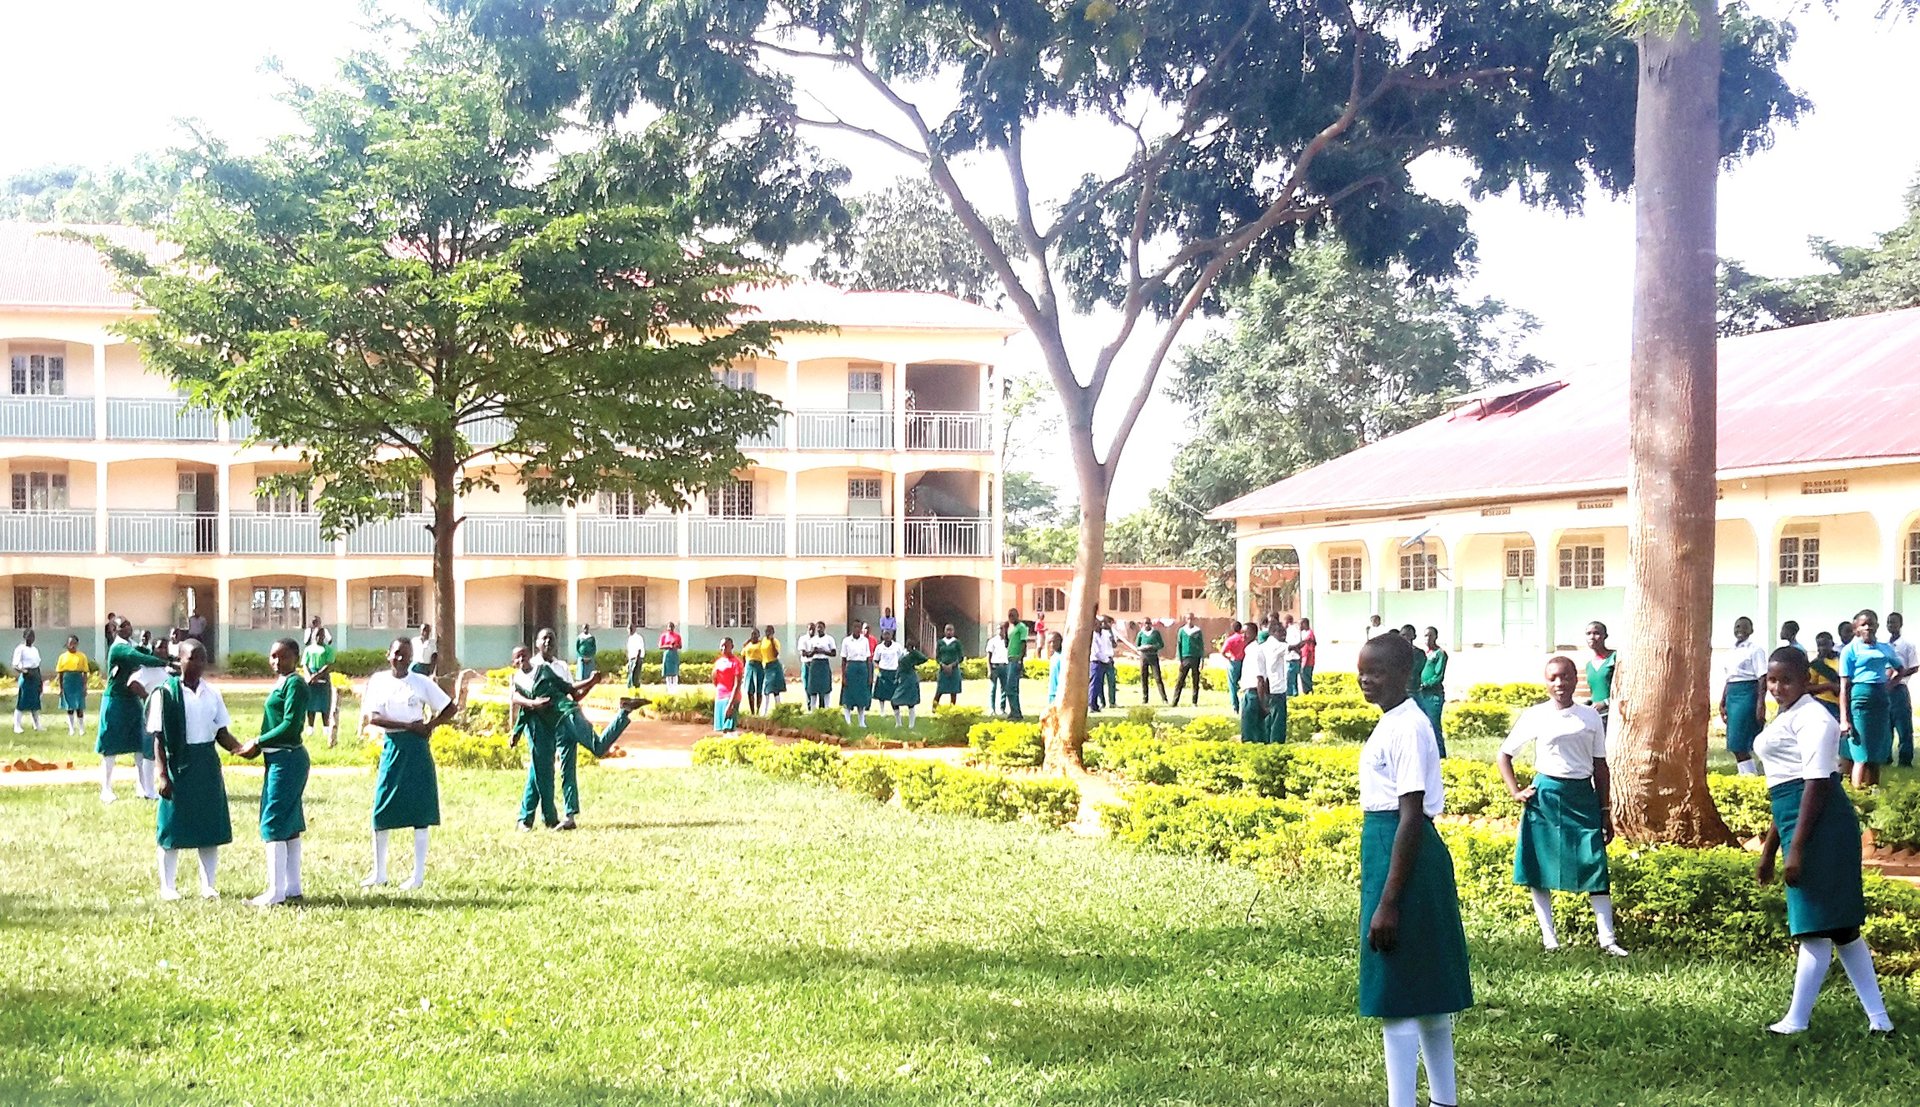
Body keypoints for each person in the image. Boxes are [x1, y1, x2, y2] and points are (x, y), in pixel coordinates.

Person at [1355, 632, 1470, 1107]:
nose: (1365, 680)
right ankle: (1444, 1099)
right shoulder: (1396, 721)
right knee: (1426, 995)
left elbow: (1410, 814)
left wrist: (1388, 902)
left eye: (1376, 672)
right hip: (1398, 853)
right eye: (1360, 671)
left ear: (1405, 674)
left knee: (1398, 994)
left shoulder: (1406, 727)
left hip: (1402, 855)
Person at [1753, 646, 1893, 1036]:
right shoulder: (1789, 714)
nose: (1778, 687)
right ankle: (1880, 1020)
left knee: (1816, 926)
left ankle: (1797, 1020)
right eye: (1773, 680)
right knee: (1843, 929)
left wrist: (1795, 851)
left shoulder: (1816, 718)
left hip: (1822, 827)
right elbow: (1783, 792)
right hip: (1798, 819)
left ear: (1806, 680)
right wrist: (1769, 852)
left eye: (1788, 680)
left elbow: (1815, 786)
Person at [1497, 656, 1626, 956]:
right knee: (1539, 866)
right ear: (1546, 682)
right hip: (1545, 796)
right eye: (1553, 678)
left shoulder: (1590, 716)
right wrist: (1516, 791)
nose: (1560, 684)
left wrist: (1604, 810)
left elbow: (1600, 766)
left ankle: (1607, 939)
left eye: (1566, 677)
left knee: (1594, 862)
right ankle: (1549, 938)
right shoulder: (1535, 715)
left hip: (1581, 796)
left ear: (1575, 679)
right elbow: (1505, 754)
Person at [149, 639, 247, 901]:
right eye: (192, 657)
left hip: (206, 763)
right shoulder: (165, 693)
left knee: (208, 826)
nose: (198, 663)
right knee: (171, 826)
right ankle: (168, 886)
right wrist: (162, 774)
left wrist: (241, 749)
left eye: (202, 658)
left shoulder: (212, 693)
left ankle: (208, 885)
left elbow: (221, 732)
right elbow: (158, 737)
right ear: (179, 659)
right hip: (178, 761)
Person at [361, 638, 456, 890]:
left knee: (420, 811)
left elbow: (450, 708)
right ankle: (379, 872)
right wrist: (407, 726)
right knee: (381, 809)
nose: (400, 659)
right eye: (396, 654)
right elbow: (374, 717)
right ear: (387, 654)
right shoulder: (379, 681)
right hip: (393, 746)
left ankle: (418, 875)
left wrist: (429, 726)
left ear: (412, 657)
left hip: (417, 750)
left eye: (406, 655)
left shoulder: (421, 682)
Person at [234, 639, 309, 907]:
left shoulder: (295, 684)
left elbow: (291, 725)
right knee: (288, 823)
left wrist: (258, 741)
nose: (277, 661)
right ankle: (293, 887)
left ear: (296, 658)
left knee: (275, 821)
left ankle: (276, 892)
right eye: (273, 656)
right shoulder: (281, 682)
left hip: (287, 758)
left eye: (283, 657)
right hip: (277, 758)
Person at [95, 618, 173, 805]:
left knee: (139, 744)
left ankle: (142, 786)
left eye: (129, 624)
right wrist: (165, 661)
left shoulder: (131, 645)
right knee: (110, 746)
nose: (127, 628)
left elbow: (146, 651)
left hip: (132, 701)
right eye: (122, 626)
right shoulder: (119, 648)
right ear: (114, 630)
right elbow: (140, 658)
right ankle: (106, 789)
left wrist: (162, 654)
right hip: (115, 700)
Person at [1838, 609, 1899, 789]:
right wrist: (1844, 718)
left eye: (1871, 624)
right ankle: (1859, 796)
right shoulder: (1850, 650)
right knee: (1861, 753)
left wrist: (1888, 685)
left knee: (1876, 754)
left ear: (1877, 626)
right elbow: (1844, 687)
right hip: (1860, 700)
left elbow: (1900, 668)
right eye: (1863, 624)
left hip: (1880, 701)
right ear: (1856, 627)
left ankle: (1874, 793)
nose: (1868, 627)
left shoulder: (1885, 648)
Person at [1719, 616, 1768, 775]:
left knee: (1740, 742)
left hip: (1747, 693)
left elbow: (1762, 677)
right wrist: (1723, 700)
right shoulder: (1731, 651)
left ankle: (1750, 777)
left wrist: (1760, 703)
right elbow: (1729, 678)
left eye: (1744, 627)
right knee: (1734, 742)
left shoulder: (1755, 650)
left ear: (1751, 630)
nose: (1740, 630)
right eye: (1737, 626)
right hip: (1732, 693)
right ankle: (1747, 775)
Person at [1887, 611, 1918, 768]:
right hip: (1885, 690)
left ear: (1901, 624)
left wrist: (1898, 676)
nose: (1891, 625)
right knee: (1886, 725)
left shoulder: (1907, 645)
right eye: (1889, 622)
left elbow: (1914, 667)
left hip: (1899, 689)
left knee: (1903, 726)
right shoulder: (1883, 645)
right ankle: (1886, 758)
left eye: (1894, 622)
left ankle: (1905, 760)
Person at [301, 623, 338, 746]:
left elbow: (328, 665)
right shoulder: (308, 649)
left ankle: (326, 727)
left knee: (324, 704)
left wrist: (317, 676)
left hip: (323, 678)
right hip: (310, 678)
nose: (319, 638)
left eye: (321, 636)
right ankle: (310, 727)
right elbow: (304, 664)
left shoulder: (328, 650)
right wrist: (309, 676)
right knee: (310, 704)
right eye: (317, 635)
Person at [1418, 628, 1449, 759]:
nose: (1427, 639)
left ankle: (1441, 756)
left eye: (1430, 636)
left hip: (1433, 696)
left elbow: (1438, 676)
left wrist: (1425, 684)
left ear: (1436, 636)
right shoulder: (1423, 654)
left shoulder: (1440, 654)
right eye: (1425, 636)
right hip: (1421, 695)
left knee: (1434, 726)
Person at [888, 638, 929, 728]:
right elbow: (900, 667)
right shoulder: (903, 653)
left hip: (910, 679)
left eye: (910, 644)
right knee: (894, 701)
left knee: (911, 702)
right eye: (907, 643)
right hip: (902, 679)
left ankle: (911, 725)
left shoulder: (913, 654)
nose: (908, 644)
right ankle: (898, 723)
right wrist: (896, 677)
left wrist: (915, 657)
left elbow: (924, 658)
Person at [840, 621, 874, 728]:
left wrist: (870, 675)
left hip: (862, 668)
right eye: (855, 627)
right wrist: (843, 676)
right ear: (852, 628)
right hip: (851, 667)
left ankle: (861, 721)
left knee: (862, 696)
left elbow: (868, 659)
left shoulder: (865, 641)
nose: (857, 629)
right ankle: (848, 720)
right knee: (848, 695)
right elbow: (844, 660)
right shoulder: (846, 641)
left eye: (859, 627)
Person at [1584, 622, 1616, 726]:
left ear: (1605, 636)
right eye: (1588, 634)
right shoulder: (1589, 665)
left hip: (1612, 715)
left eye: (1596, 633)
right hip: (1596, 716)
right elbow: (1595, 692)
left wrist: (1605, 703)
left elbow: (1625, 689)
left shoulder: (1614, 658)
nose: (1592, 637)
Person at [12, 628, 44, 733]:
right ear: (24, 637)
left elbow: (37, 665)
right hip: (26, 677)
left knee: (35, 702)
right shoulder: (20, 649)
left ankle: (37, 725)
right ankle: (17, 726)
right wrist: (24, 671)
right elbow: (15, 665)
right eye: (29, 636)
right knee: (22, 701)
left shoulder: (35, 650)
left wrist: (40, 680)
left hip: (35, 676)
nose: (31, 638)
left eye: (33, 636)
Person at [56, 635, 88, 736]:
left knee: (79, 706)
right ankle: (71, 728)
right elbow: (60, 673)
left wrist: (85, 686)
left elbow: (85, 672)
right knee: (69, 706)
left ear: (77, 644)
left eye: (74, 643)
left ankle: (81, 728)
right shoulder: (62, 657)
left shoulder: (82, 656)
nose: (72, 645)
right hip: (67, 681)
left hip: (77, 681)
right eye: (70, 643)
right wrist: (60, 687)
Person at [1131, 619, 1168, 705]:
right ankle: (1145, 699)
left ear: (1151, 624)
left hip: (1153, 656)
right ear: (1143, 625)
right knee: (1144, 678)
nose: (1147, 625)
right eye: (1145, 624)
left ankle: (1164, 698)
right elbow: (1137, 646)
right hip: (1144, 657)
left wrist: (1153, 646)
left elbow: (1161, 644)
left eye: (1148, 623)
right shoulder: (1141, 634)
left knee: (1158, 678)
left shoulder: (1155, 633)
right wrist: (1143, 647)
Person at [801, 622, 837, 709]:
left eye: (821, 627)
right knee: (813, 687)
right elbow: (807, 654)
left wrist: (823, 651)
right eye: (818, 628)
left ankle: (826, 707)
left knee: (825, 687)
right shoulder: (813, 640)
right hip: (814, 663)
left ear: (824, 628)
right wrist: (813, 651)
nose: (819, 629)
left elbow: (834, 653)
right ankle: (813, 708)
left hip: (824, 663)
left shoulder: (829, 639)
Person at [1808, 631, 1843, 720]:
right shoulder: (1816, 664)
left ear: (1832, 644)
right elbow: (1808, 687)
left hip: (1842, 702)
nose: (1822, 648)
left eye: (1825, 645)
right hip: (1823, 702)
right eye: (1819, 645)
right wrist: (1829, 686)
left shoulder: (1841, 659)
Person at [1174, 614, 1207, 706]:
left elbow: (1201, 646)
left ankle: (1194, 701)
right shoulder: (1182, 630)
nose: (1190, 621)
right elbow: (1179, 645)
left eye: (1191, 619)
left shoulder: (1197, 631)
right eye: (1188, 619)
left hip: (1195, 657)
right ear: (1185, 619)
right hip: (1185, 657)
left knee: (1195, 680)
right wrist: (1179, 659)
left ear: (1194, 620)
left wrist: (1202, 659)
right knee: (1180, 680)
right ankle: (1175, 701)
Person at [712, 637, 744, 733]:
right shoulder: (718, 662)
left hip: (732, 698)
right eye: (722, 646)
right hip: (720, 698)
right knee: (721, 730)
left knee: (729, 729)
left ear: (732, 646)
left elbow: (737, 684)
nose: (723, 648)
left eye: (726, 646)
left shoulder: (736, 663)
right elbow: (715, 679)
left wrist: (730, 704)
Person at [873, 629, 907, 714]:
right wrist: (878, 670)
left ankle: (896, 710)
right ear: (882, 636)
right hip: (883, 671)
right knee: (881, 693)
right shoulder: (879, 647)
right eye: (885, 634)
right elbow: (875, 660)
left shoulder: (897, 646)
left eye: (888, 634)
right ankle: (882, 711)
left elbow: (902, 659)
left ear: (892, 635)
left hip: (894, 671)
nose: (887, 636)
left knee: (895, 692)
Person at [1088, 616, 1116, 713]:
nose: (1098, 625)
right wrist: (1106, 660)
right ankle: (1091, 705)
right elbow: (1096, 652)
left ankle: (1095, 705)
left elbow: (1110, 645)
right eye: (1095, 624)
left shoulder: (1104, 634)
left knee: (1099, 684)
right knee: (1094, 684)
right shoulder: (1093, 636)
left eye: (1099, 623)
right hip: (1096, 662)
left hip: (1104, 661)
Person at [1006, 609, 1030, 715]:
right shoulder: (1011, 628)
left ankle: (1016, 712)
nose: (1011, 618)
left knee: (1011, 687)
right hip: (1010, 659)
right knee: (1009, 687)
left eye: (1013, 615)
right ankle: (1013, 710)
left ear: (1017, 615)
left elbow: (1024, 644)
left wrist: (1020, 659)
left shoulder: (1022, 627)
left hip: (1016, 659)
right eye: (1009, 616)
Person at [985, 623, 1011, 718]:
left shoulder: (1007, 641)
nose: (1000, 631)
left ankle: (1002, 708)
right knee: (993, 688)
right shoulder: (992, 641)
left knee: (1004, 688)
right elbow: (988, 656)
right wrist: (989, 669)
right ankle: (992, 709)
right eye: (998, 629)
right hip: (995, 666)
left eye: (1002, 629)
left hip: (1004, 666)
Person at [934, 625, 964, 706]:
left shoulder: (957, 642)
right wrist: (942, 665)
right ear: (944, 631)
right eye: (947, 630)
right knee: (939, 690)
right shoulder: (940, 642)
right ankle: (934, 708)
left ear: (953, 631)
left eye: (951, 630)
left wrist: (952, 665)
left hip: (954, 670)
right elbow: (937, 657)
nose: (949, 632)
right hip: (943, 670)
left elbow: (961, 657)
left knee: (953, 691)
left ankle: (952, 709)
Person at [1221, 622, 1248, 712]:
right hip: (1244, 662)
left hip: (1234, 662)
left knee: (1232, 685)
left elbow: (1223, 651)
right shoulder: (1245, 639)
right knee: (1245, 684)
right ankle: (1245, 704)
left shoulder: (1230, 640)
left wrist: (1229, 657)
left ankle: (1235, 706)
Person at [759, 624, 787, 707]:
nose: (768, 633)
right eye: (767, 631)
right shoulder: (763, 640)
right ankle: (765, 710)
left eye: (770, 631)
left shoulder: (775, 641)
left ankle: (778, 707)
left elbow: (775, 654)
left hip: (774, 665)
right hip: (766, 666)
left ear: (773, 632)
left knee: (775, 689)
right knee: (766, 688)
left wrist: (772, 642)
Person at [742, 628, 768, 715]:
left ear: (759, 635)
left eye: (756, 634)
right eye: (752, 634)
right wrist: (744, 667)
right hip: (749, 667)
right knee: (750, 690)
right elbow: (743, 655)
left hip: (759, 666)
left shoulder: (761, 644)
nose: (754, 636)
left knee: (759, 689)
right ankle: (752, 711)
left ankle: (758, 709)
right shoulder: (747, 645)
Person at [658, 622, 684, 689]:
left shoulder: (677, 636)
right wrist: (668, 646)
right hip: (667, 654)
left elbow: (680, 646)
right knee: (668, 673)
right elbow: (660, 646)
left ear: (674, 628)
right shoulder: (664, 636)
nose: (670, 628)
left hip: (674, 654)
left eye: (671, 627)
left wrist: (676, 645)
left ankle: (675, 687)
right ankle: (669, 687)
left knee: (675, 671)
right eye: (669, 627)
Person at [1284, 617, 1305, 697]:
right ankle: (1294, 693)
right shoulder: (1295, 630)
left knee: (1290, 679)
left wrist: (1296, 650)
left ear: (1288, 622)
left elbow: (1292, 645)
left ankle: (1290, 695)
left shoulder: (1291, 630)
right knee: (1294, 679)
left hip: (1292, 658)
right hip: (1294, 658)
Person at [1298, 618, 1318, 695]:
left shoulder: (1309, 635)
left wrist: (1304, 662)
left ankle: (1310, 692)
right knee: (1304, 678)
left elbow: (1308, 651)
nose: (1299, 626)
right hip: (1305, 660)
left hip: (1307, 661)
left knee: (1306, 678)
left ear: (1304, 624)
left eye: (1300, 624)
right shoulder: (1306, 633)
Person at [624, 622, 647, 688]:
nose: (630, 630)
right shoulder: (630, 638)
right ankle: (630, 688)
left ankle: (636, 688)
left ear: (635, 629)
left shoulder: (638, 637)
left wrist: (637, 660)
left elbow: (639, 650)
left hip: (637, 659)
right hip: (631, 659)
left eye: (631, 628)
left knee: (635, 676)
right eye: (628, 628)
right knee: (630, 675)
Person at [1046, 632, 1066, 706]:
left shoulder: (1064, 656)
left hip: (1060, 693)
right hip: (1052, 692)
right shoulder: (1054, 656)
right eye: (1050, 642)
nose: (1052, 644)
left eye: (1054, 641)